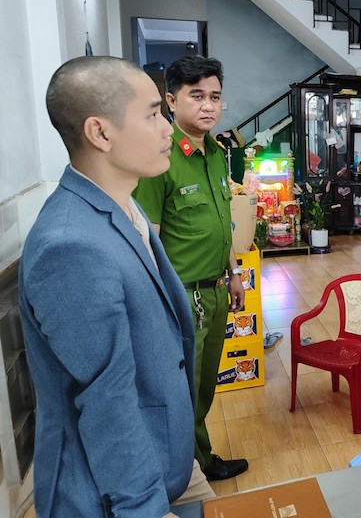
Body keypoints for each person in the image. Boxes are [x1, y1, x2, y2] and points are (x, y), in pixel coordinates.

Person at [19, 56, 215, 517]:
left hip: (166, 459)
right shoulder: (70, 244)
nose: (167, 129)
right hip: (113, 493)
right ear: (100, 132)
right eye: (153, 114)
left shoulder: (122, 206)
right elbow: (108, 401)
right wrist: (145, 508)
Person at [134, 55, 249, 481]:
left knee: (204, 384)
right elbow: (147, 240)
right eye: (196, 96)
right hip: (183, 297)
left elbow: (222, 222)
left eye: (215, 97)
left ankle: (195, 460)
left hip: (216, 291)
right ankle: (188, 468)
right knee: (182, 389)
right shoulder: (160, 161)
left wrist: (234, 273)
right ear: (171, 101)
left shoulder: (216, 154)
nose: (208, 106)